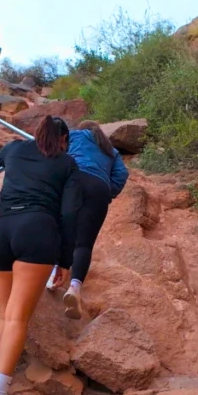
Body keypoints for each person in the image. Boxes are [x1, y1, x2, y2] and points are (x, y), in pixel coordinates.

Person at [0, 115, 81, 395]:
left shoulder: (14, 149)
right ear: (64, 140)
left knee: (3, 313)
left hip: (0, 230)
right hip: (37, 232)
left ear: (37, 134)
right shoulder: (67, 165)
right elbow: (69, 215)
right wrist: (64, 261)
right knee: (17, 317)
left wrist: (8, 157)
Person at [47, 121, 129, 318]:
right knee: (84, 243)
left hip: (75, 179)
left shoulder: (74, 135)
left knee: (60, 228)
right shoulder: (111, 150)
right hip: (99, 188)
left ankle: (52, 276)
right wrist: (108, 192)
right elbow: (122, 174)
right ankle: (74, 287)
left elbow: (58, 150)